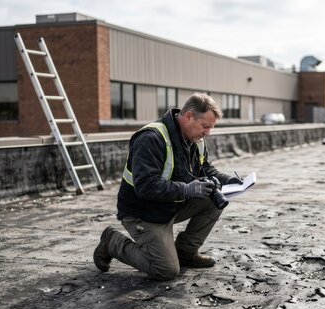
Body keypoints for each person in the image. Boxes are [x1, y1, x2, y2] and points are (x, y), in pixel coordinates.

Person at [93, 93, 243, 281]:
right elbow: (145, 186)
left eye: (211, 128)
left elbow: (206, 170)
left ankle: (185, 252)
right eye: (205, 126)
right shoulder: (152, 138)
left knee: (215, 198)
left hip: (169, 205)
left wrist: (229, 181)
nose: (208, 133)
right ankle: (111, 242)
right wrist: (186, 189)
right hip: (143, 212)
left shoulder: (195, 140)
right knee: (166, 270)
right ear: (188, 116)